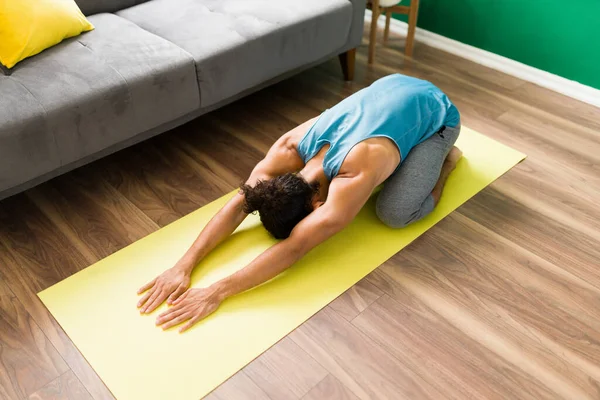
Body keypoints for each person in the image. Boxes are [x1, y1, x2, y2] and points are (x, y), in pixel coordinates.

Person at [137, 73, 462, 332]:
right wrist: (183, 265)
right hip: (391, 85)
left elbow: (295, 247)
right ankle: (403, 155)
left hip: (439, 114)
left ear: (317, 203)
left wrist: (217, 291)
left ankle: (446, 162)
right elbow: (240, 203)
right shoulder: (288, 147)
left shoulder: (354, 173)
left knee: (394, 213)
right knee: (385, 175)